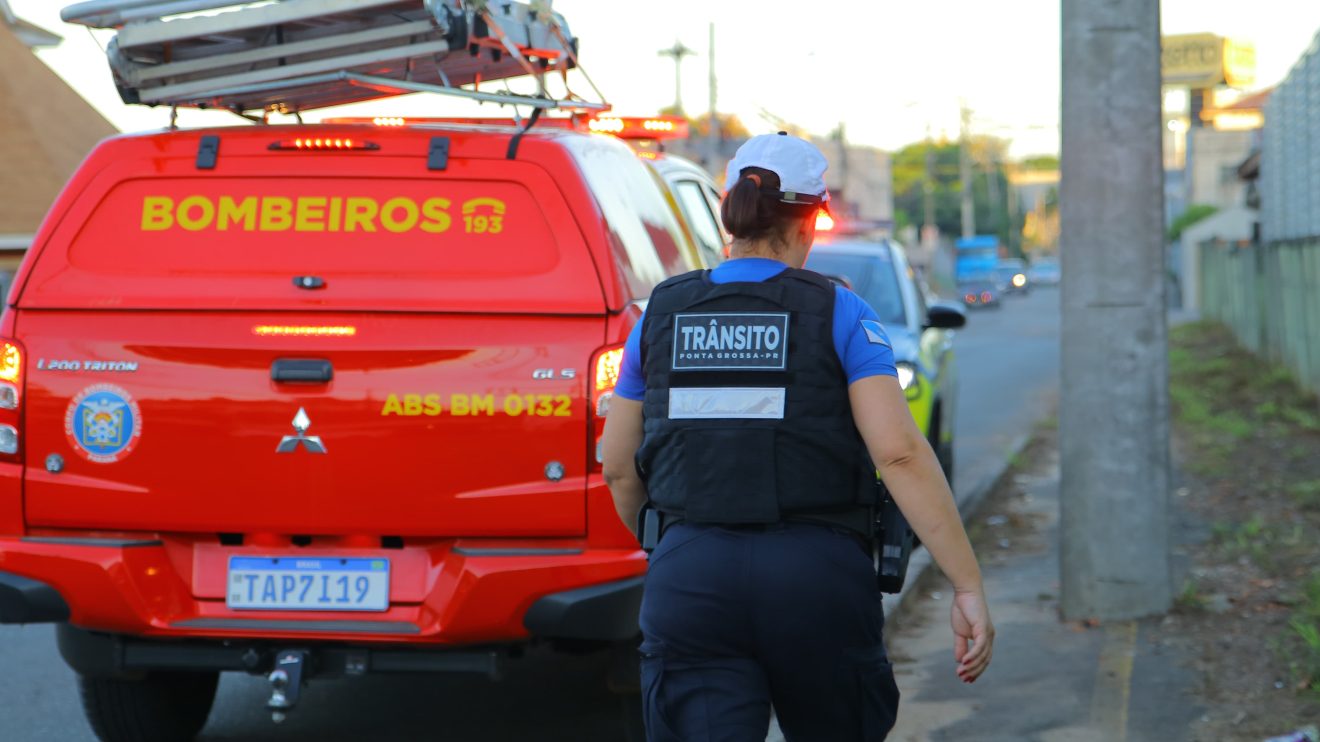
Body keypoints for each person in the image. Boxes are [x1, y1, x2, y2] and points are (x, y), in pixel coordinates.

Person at [600, 132, 993, 741]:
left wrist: (674, 548)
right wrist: (966, 584)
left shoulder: (660, 314)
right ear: (813, 218)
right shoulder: (841, 312)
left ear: (730, 211)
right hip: (817, 578)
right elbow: (898, 453)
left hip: (691, 577)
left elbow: (619, 469)